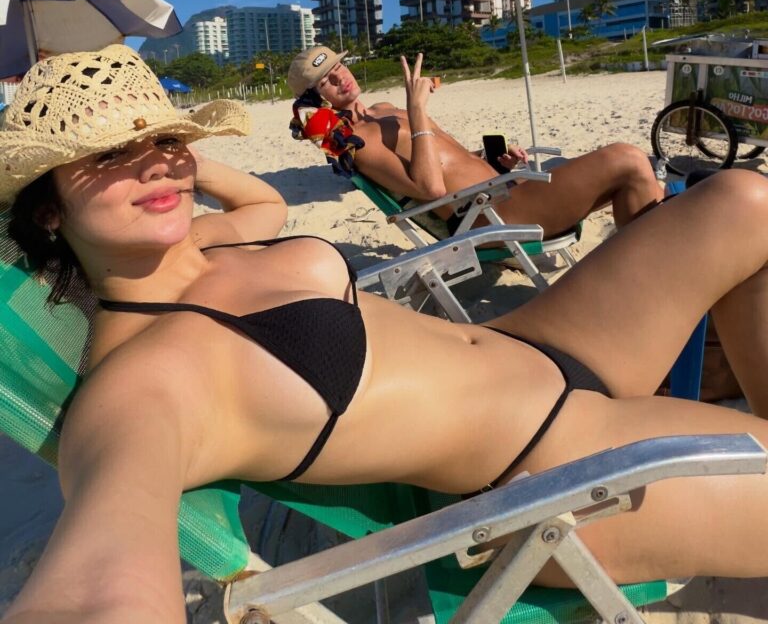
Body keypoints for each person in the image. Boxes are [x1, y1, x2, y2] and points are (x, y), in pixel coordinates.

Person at [5, 44, 768, 624]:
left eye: (165, 140)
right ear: (46, 209)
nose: (156, 165)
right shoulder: (141, 380)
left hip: (538, 340)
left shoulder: (202, 243)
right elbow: (102, 573)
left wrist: (175, 161)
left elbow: (266, 205)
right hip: (553, 467)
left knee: (741, 200)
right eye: (110, 155)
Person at [287, 46, 663, 236]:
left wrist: (494, 160)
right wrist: (416, 109)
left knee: (636, 179)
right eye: (327, 80)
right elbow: (430, 188)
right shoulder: (359, 144)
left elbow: (448, 158)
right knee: (628, 159)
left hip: (507, 189)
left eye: (339, 66)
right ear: (317, 99)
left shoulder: (384, 108)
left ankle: (649, 278)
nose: (341, 77)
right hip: (493, 216)